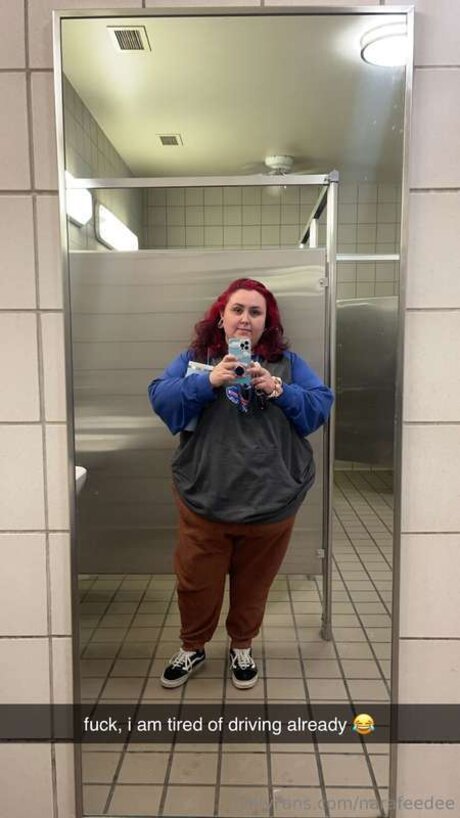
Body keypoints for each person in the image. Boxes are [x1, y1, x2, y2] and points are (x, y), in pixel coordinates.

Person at [147, 278, 333, 690]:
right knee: (196, 582)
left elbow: (320, 405)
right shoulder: (196, 359)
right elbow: (160, 396)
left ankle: (242, 646)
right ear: (221, 317)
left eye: (255, 312)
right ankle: (193, 647)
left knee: (255, 582)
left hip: (272, 501)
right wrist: (207, 381)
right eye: (237, 309)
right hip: (205, 498)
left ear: (268, 322)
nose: (245, 319)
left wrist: (280, 389)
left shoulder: (287, 364)